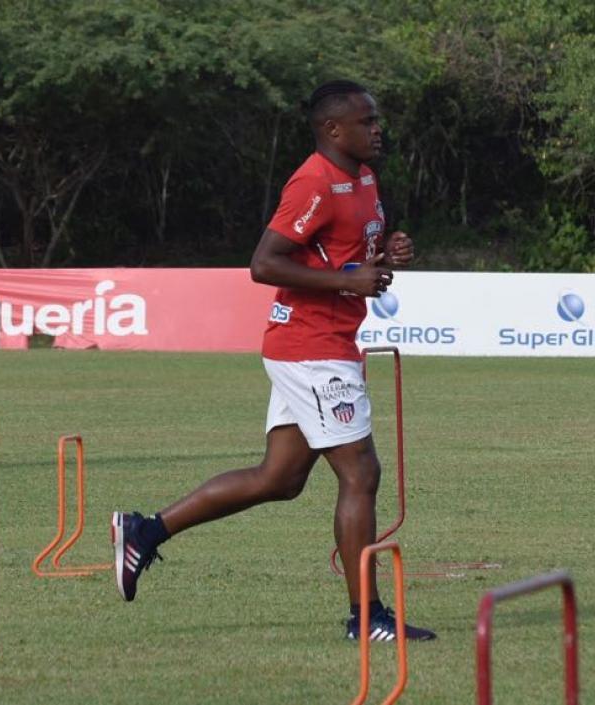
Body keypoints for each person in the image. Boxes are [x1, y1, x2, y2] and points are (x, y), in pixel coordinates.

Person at [111, 80, 435, 642]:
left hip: (320, 343)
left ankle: (145, 532)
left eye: (376, 119)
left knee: (279, 478)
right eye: (366, 121)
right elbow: (263, 263)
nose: (377, 129)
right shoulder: (314, 181)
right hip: (313, 346)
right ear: (333, 129)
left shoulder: (364, 177)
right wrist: (347, 281)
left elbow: (346, 260)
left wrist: (386, 255)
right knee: (361, 473)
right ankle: (367, 619)